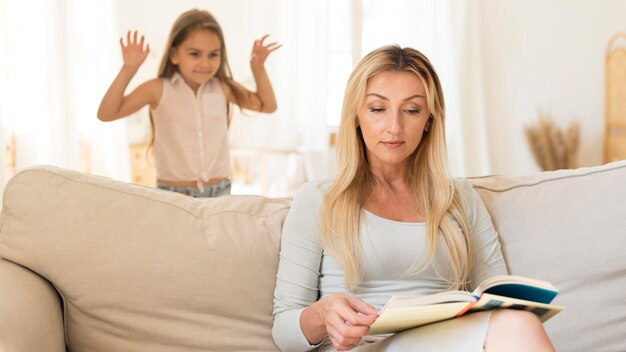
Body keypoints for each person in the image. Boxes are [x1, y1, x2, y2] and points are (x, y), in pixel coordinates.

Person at [272, 45, 555, 351]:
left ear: (429, 120)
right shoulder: (318, 200)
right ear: (356, 116)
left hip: (448, 342)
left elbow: (501, 300)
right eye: (378, 109)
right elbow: (284, 331)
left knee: (518, 322)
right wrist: (323, 313)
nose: (394, 127)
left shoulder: (459, 199)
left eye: (412, 110)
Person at [97, 9, 280, 197]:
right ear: (174, 55)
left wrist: (258, 69)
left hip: (220, 191)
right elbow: (106, 113)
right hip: (174, 194)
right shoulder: (157, 89)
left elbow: (267, 105)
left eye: (213, 55)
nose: (205, 64)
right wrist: (128, 70)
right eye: (195, 54)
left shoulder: (223, 87)